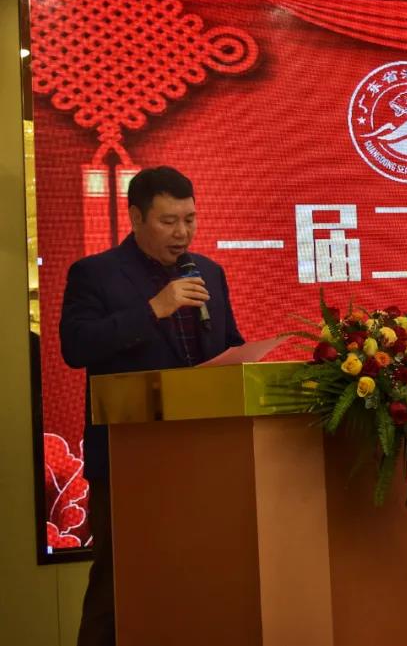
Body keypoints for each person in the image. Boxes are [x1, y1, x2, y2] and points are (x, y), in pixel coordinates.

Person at [60, 166, 244, 646]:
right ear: (136, 217)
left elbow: (229, 344)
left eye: (190, 219)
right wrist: (154, 309)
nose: (182, 233)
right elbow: (76, 346)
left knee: (198, 578)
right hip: (129, 459)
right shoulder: (95, 273)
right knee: (117, 585)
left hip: (204, 454)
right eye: (168, 221)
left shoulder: (208, 272)